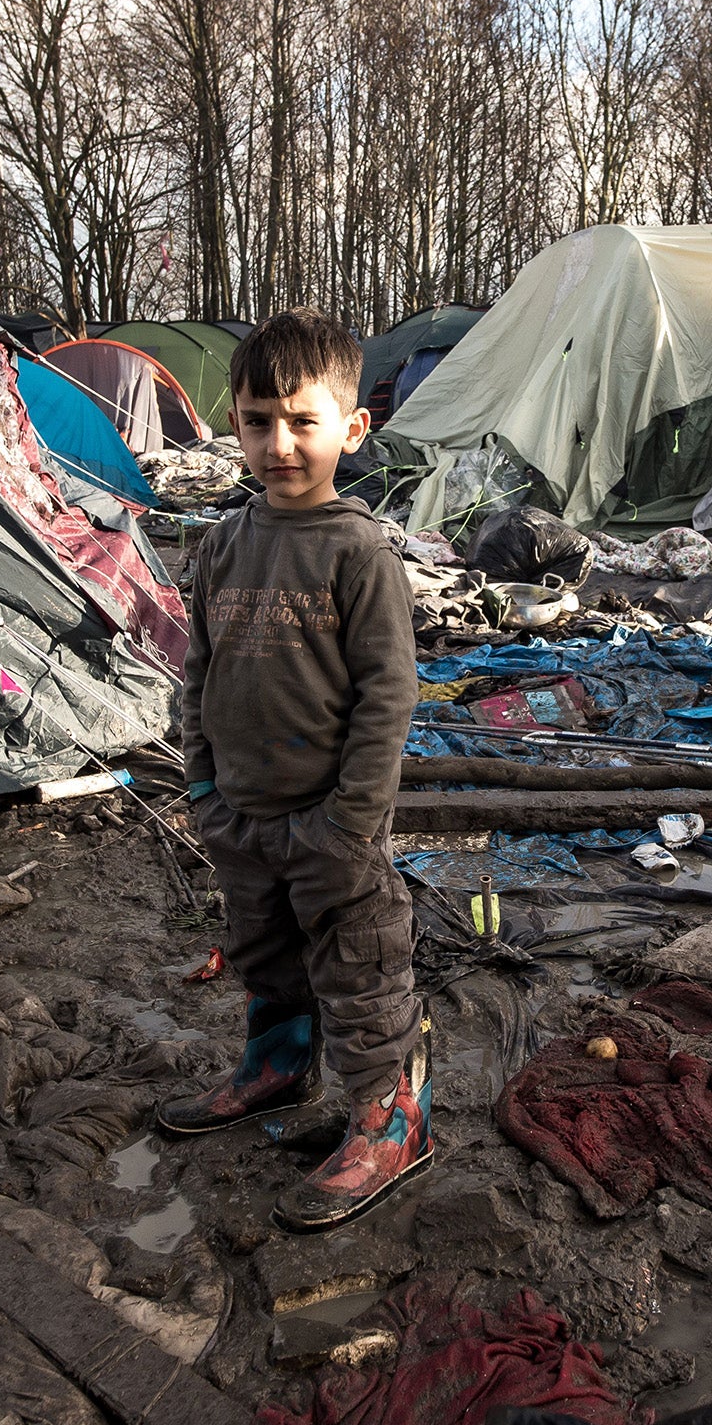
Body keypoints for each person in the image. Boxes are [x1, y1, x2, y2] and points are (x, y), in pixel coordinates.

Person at [157, 308, 429, 1232]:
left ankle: (390, 1121)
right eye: (258, 420)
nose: (279, 443)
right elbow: (199, 673)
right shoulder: (224, 545)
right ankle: (276, 1068)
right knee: (268, 957)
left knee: (360, 971)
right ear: (231, 422)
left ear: (352, 430)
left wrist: (350, 825)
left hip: (331, 828)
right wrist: (202, 788)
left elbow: (389, 699)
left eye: (303, 421)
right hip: (241, 818)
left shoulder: (358, 554)